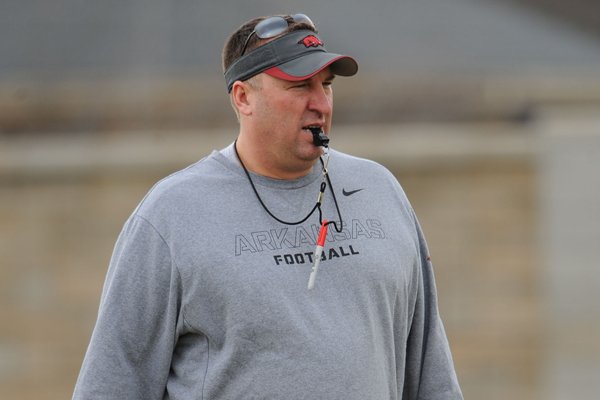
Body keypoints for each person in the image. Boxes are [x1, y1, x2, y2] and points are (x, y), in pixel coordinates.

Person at [73, 13, 463, 400]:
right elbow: (112, 381)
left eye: (326, 86)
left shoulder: (380, 190)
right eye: (299, 87)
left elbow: (431, 370)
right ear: (243, 97)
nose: (320, 104)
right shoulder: (171, 214)